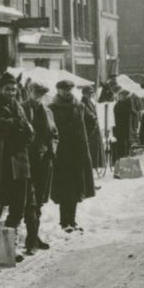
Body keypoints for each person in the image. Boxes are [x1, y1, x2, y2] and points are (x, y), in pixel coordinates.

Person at [0, 71, 37, 247]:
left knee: (18, 205)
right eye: (8, 89)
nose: (11, 93)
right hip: (0, 162)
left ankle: (8, 243)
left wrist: (16, 127)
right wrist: (17, 126)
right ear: (1, 89)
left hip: (20, 163)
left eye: (14, 89)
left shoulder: (19, 107)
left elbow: (30, 133)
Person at [49, 80, 96, 233]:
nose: (67, 92)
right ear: (58, 90)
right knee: (64, 189)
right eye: (64, 90)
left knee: (76, 188)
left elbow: (91, 121)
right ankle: (64, 222)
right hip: (61, 154)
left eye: (69, 89)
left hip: (77, 153)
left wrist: (83, 137)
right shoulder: (52, 108)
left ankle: (73, 221)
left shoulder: (79, 106)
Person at [22, 81, 56, 253]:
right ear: (29, 91)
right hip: (26, 161)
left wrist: (52, 150)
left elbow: (54, 134)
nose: (38, 96)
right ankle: (31, 240)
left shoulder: (48, 111)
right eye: (36, 92)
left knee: (39, 201)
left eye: (41, 93)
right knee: (30, 201)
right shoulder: (21, 109)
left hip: (44, 161)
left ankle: (34, 237)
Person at [112, 89, 133, 160]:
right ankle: (121, 158)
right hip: (119, 128)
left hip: (126, 128)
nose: (120, 97)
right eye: (120, 95)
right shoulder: (117, 105)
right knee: (121, 145)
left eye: (123, 96)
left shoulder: (128, 104)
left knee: (126, 144)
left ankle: (125, 157)